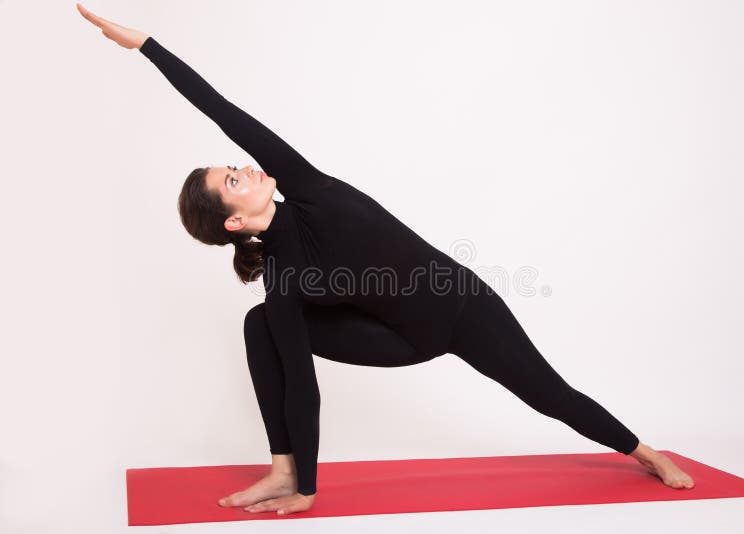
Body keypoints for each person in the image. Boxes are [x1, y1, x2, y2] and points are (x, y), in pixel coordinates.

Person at [77, 3, 695, 517]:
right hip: (401, 338)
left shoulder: (306, 185)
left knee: (548, 394)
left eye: (235, 166)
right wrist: (309, 490)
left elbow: (222, 109)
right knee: (261, 325)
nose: (245, 168)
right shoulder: (282, 279)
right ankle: (283, 470)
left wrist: (147, 46)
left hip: (462, 305)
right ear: (233, 221)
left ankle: (644, 451)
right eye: (234, 180)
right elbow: (303, 385)